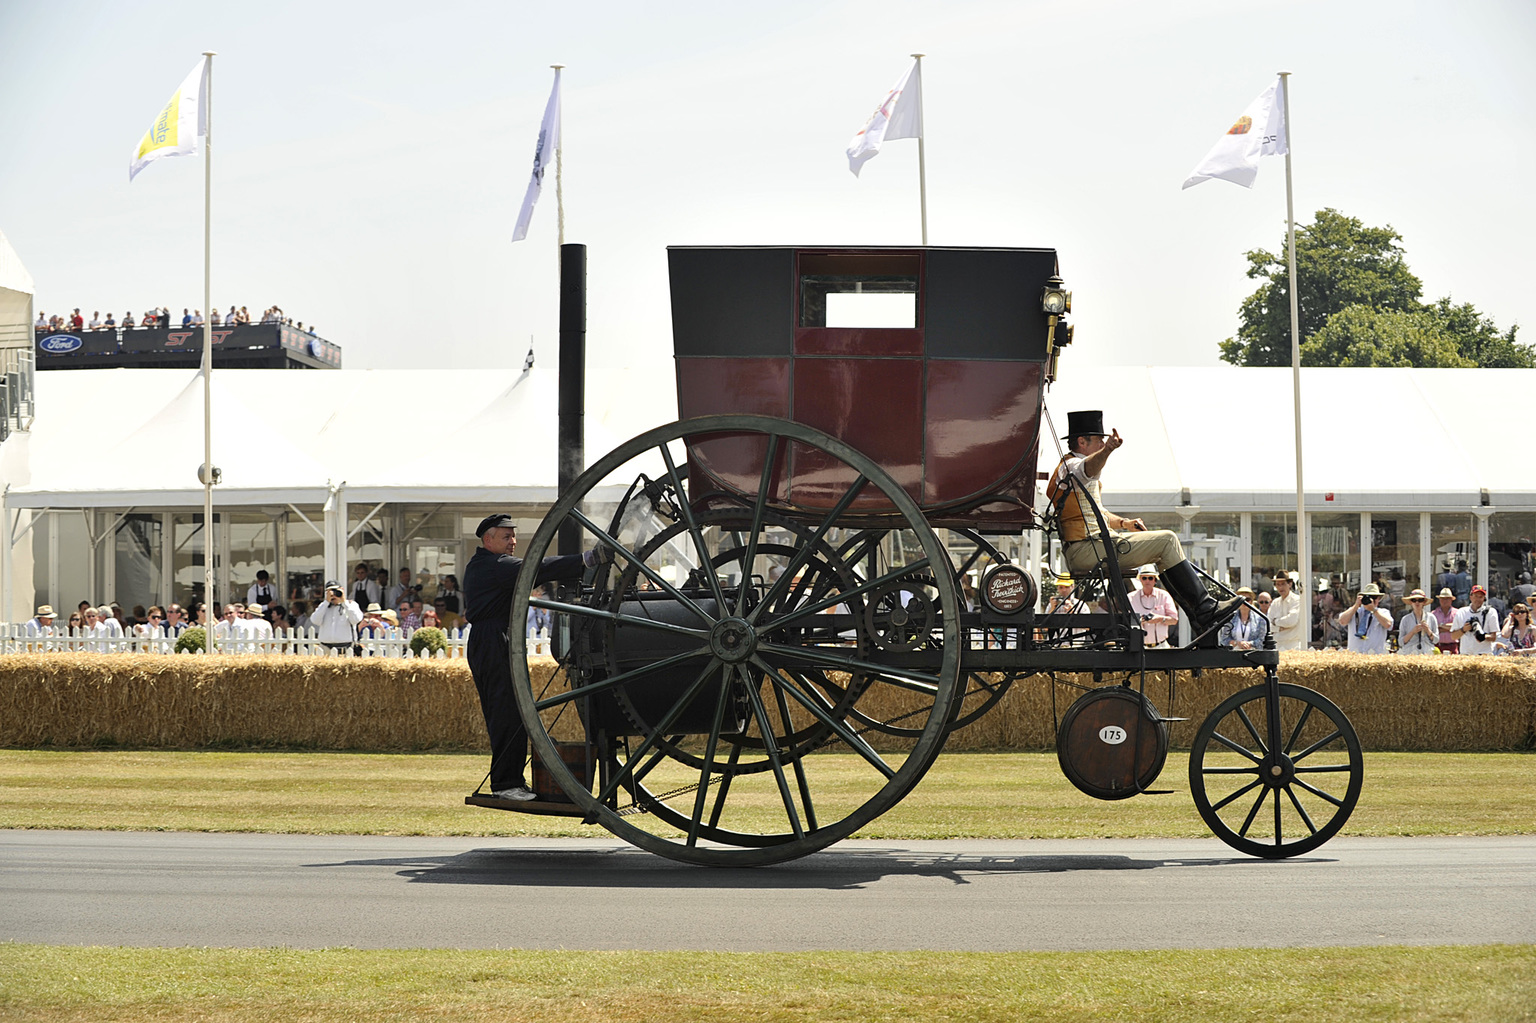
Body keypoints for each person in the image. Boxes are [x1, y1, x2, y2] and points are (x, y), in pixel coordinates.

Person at [1047, 410, 1238, 642]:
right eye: (1098, 440)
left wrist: (1125, 523)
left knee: (1165, 548)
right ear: (1081, 442)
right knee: (1167, 540)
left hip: (1094, 547)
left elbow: (1100, 514)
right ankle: (1204, 611)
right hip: (1089, 550)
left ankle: (1202, 615)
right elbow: (1087, 469)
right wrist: (1108, 450)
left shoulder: (1074, 473)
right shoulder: (1071, 467)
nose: (1101, 444)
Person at [464, 512, 605, 802]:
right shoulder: (494, 565)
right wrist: (585, 559)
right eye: (506, 536)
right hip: (492, 640)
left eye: (514, 535)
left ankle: (510, 780)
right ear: (487, 539)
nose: (513, 541)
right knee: (506, 713)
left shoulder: (491, 564)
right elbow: (537, 568)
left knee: (513, 713)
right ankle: (505, 784)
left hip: (498, 639)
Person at [1126, 565, 1180, 648]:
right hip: (1140, 646)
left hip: (1161, 646)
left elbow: (1174, 620)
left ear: (1155, 580)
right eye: (1144, 578)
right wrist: (1139, 621)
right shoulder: (1131, 597)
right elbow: (1126, 622)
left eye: (1150, 578)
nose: (1147, 581)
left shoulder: (1164, 595)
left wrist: (1159, 619)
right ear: (1140, 579)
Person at [1338, 583, 1392, 654]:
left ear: (1378, 599)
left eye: (1374, 597)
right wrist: (1356, 605)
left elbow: (1388, 625)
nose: (1371, 600)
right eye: (1369, 597)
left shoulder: (1383, 612)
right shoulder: (1354, 611)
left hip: (1374, 655)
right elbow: (1342, 621)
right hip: (1355, 655)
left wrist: (1374, 610)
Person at [309, 583, 363, 652]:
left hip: (346, 646)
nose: (333, 595)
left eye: (336, 591)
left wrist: (344, 603)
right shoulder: (323, 606)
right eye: (330, 592)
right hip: (326, 647)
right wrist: (326, 602)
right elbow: (315, 620)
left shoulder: (351, 605)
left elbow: (356, 620)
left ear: (342, 590)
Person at [1452, 585, 1500, 655]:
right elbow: (1453, 636)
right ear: (1470, 597)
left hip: (1484, 654)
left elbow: (1493, 637)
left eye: (1480, 597)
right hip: (1466, 654)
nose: (1478, 599)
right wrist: (1463, 629)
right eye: (1475, 596)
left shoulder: (1490, 612)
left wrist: (1482, 636)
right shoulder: (1461, 612)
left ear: (1484, 599)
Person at [1267, 571, 1305, 651]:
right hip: (1277, 644)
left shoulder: (1297, 600)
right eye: (1278, 584)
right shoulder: (1275, 602)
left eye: (1283, 584)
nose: (1280, 588)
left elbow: (1291, 621)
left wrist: (1275, 622)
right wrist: (1279, 627)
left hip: (1293, 645)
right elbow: (1268, 624)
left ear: (1290, 584)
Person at [1396, 589, 1439, 655]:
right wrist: (1412, 632)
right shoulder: (1405, 619)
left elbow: (1436, 640)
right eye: (1414, 600)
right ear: (1411, 602)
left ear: (1424, 602)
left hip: (1427, 652)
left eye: (1420, 600)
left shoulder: (1431, 618)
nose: (1417, 603)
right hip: (1410, 653)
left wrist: (1428, 630)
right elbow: (1401, 642)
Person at [1431, 588, 1460, 653]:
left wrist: (1440, 626)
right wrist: (1450, 629)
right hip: (1437, 647)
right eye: (1442, 599)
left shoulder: (1457, 613)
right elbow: (1432, 630)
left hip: (1452, 646)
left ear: (1451, 600)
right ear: (1439, 600)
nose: (1445, 601)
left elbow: (1457, 627)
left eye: (1447, 599)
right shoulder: (1433, 614)